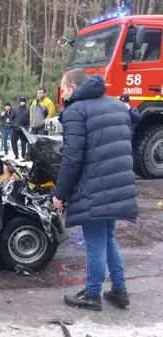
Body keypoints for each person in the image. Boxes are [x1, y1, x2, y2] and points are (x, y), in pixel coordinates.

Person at [53, 68, 137, 311]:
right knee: (109, 237)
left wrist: (59, 194)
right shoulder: (115, 105)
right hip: (117, 183)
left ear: (72, 87)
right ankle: (119, 290)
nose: (63, 92)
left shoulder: (76, 111)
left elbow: (71, 158)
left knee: (96, 242)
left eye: (64, 87)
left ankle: (92, 294)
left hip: (93, 186)